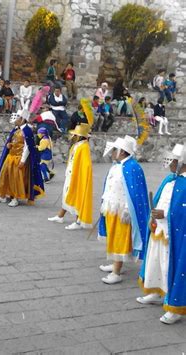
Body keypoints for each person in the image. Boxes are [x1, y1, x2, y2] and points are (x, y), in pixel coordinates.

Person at [137, 144, 186, 324]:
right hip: (160, 230)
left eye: (172, 159)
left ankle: (175, 307)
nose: (168, 162)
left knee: (170, 265)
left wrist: (166, 215)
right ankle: (156, 291)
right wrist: (154, 216)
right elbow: (159, 200)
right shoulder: (169, 179)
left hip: (175, 235)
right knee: (156, 261)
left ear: (181, 162)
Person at [98, 136, 150, 284]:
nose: (112, 152)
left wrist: (128, 210)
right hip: (111, 207)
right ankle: (115, 262)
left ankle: (116, 271)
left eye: (115, 150)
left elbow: (136, 192)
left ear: (122, 152)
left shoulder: (133, 168)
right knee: (113, 236)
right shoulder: (116, 166)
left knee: (120, 238)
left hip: (122, 211)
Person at [0, 111, 44, 207]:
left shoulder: (27, 130)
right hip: (11, 156)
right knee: (5, 176)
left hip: (18, 158)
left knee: (15, 179)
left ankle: (15, 198)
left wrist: (23, 160)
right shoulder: (17, 129)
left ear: (22, 119)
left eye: (17, 118)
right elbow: (16, 142)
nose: (15, 121)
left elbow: (27, 147)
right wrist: (10, 144)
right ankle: (3, 195)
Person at [48, 123, 93, 230]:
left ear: (79, 136)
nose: (72, 137)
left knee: (76, 196)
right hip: (71, 175)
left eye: (75, 135)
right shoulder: (77, 145)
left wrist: (80, 176)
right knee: (67, 194)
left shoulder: (84, 147)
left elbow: (86, 165)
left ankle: (78, 221)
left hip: (77, 177)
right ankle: (60, 216)